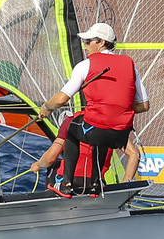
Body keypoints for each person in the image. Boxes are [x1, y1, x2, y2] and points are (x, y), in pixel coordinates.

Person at [38, 21, 150, 196]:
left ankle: (65, 184)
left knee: (73, 127)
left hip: (96, 130)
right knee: (102, 133)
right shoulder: (130, 64)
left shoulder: (86, 65)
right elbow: (144, 106)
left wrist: (46, 107)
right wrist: (117, 108)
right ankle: (96, 184)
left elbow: (61, 99)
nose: (85, 46)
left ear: (102, 42)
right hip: (119, 135)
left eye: (88, 41)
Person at [28, 132, 144, 194]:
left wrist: (37, 165)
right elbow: (135, 154)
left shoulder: (72, 122)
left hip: (68, 183)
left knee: (55, 164)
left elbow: (49, 159)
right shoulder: (113, 127)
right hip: (95, 185)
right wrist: (124, 189)